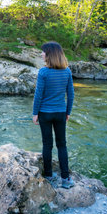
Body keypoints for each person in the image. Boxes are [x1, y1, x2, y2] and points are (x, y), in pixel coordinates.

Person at [32, 41, 75, 189]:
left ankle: (49, 176)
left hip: (45, 113)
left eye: (43, 52)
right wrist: (68, 112)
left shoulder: (43, 72)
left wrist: (34, 113)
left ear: (49, 54)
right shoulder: (67, 72)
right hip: (60, 113)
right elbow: (71, 94)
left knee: (47, 144)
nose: (41, 54)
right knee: (62, 145)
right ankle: (65, 179)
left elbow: (38, 95)